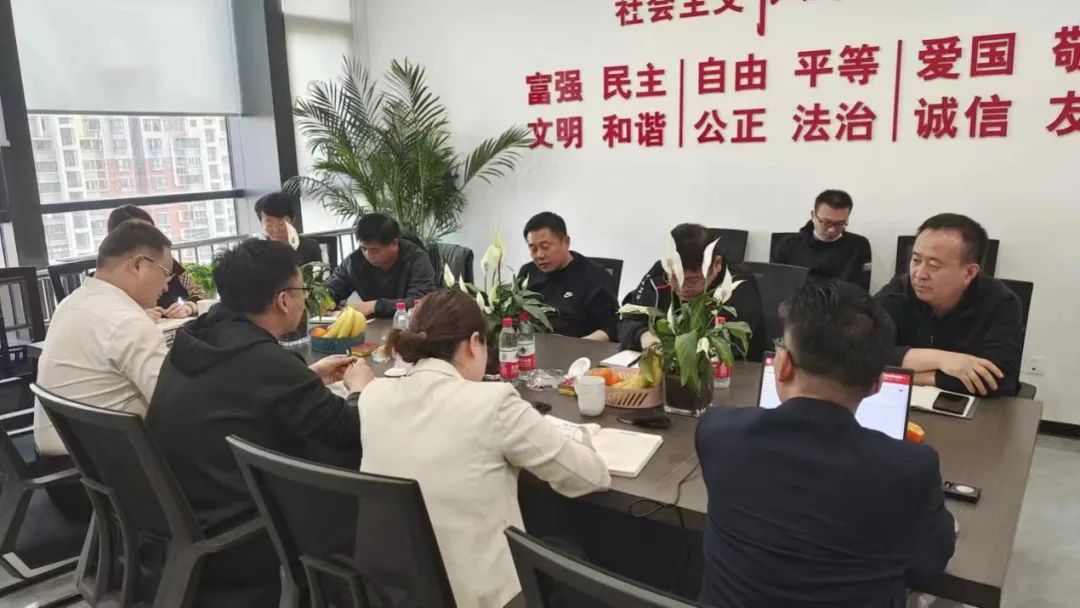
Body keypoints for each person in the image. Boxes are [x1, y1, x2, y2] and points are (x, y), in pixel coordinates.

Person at [696, 281, 955, 608]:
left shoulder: (719, 432)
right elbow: (929, 564)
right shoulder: (910, 469)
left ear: (783, 365)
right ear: (877, 385)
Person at [147, 238, 373, 606]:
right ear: (284, 300)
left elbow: (241, 389)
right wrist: (361, 389)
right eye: (301, 291)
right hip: (239, 528)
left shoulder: (198, 335)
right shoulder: (265, 362)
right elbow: (348, 429)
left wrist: (306, 377)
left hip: (184, 512)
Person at [357, 288, 611, 608]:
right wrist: (582, 437)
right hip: (481, 598)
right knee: (572, 552)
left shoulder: (373, 395)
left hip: (396, 592)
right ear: (474, 343)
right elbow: (590, 478)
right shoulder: (493, 402)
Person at [34, 221, 173, 519]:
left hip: (63, 475)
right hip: (109, 485)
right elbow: (172, 406)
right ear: (138, 265)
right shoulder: (127, 322)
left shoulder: (72, 303)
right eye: (166, 273)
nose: (166, 287)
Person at [874, 214, 1022, 397]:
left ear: (969, 272)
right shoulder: (896, 293)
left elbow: (999, 379)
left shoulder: (1000, 302)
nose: (919, 274)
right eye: (916, 260)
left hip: (971, 408)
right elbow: (860, 353)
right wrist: (942, 359)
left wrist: (916, 376)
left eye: (934, 265)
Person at [619, 223, 768, 361]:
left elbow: (733, 345)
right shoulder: (659, 274)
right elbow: (626, 320)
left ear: (716, 264)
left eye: (691, 280)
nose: (680, 287)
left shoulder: (737, 285)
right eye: (673, 277)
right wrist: (643, 336)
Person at [517, 212, 619, 341]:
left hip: (578, 348)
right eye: (533, 249)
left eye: (545, 247)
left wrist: (572, 345)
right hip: (531, 346)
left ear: (566, 242)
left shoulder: (595, 276)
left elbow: (611, 328)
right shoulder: (527, 272)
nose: (539, 255)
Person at [326, 213, 437, 319]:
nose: (368, 255)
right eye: (364, 248)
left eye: (375, 250)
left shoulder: (417, 259)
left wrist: (376, 306)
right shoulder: (354, 261)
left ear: (394, 243)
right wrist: (324, 301)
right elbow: (333, 289)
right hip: (371, 325)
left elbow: (420, 302)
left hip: (409, 324)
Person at [107, 205, 207, 318]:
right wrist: (137, 316)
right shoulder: (110, 277)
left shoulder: (166, 264)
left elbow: (200, 295)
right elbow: (107, 315)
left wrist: (188, 307)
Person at [771, 189, 873, 290]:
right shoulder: (788, 246)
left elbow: (861, 292)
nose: (831, 230)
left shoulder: (859, 246)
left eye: (840, 224)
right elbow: (776, 287)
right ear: (813, 216)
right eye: (826, 222)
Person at [254, 191, 324, 265]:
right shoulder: (257, 251)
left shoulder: (310, 247)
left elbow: (317, 271)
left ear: (292, 220)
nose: (276, 229)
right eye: (269, 223)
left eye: (281, 223)